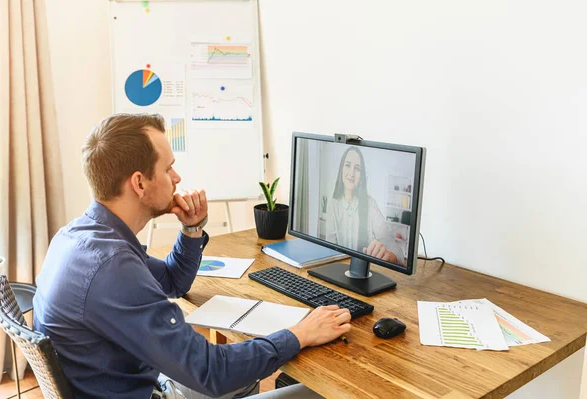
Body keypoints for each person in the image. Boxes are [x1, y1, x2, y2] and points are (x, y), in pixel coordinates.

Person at [33, 114, 351, 399]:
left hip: (133, 384)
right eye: (168, 167)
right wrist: (300, 333)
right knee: (309, 393)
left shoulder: (81, 237)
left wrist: (191, 230)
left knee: (247, 371)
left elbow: (173, 282)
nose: (177, 178)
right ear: (139, 183)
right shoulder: (112, 266)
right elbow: (212, 373)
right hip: (149, 391)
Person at [325, 146, 405, 265]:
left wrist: (391, 256)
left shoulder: (370, 204)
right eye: (347, 165)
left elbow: (389, 240)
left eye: (357, 168)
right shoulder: (333, 204)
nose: (351, 173)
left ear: (361, 175)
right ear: (341, 169)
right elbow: (329, 248)